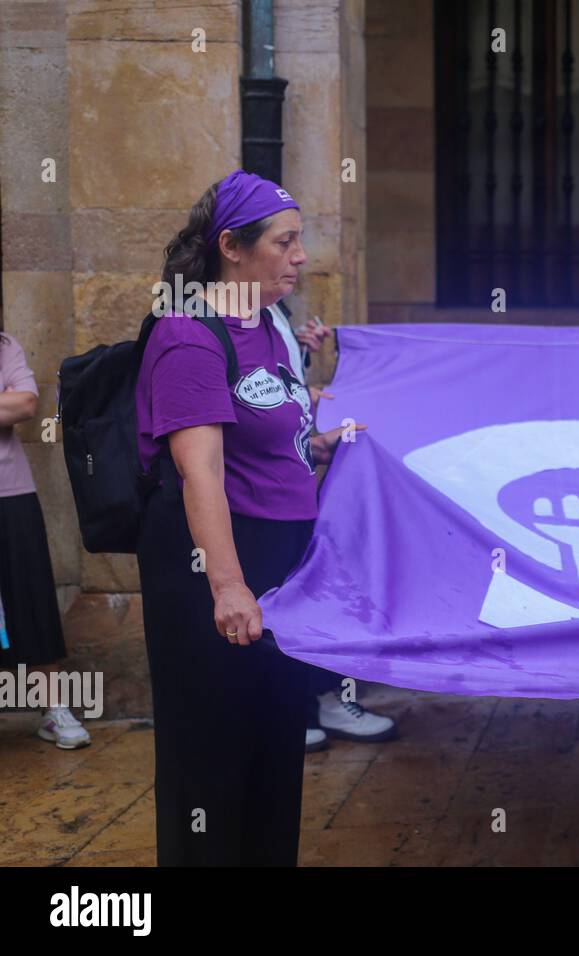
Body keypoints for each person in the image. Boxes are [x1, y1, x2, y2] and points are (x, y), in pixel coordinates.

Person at [135, 169, 362, 865]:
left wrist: (330, 444)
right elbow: (199, 469)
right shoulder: (188, 335)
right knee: (213, 758)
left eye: (301, 242)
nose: (300, 256)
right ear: (232, 246)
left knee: (273, 749)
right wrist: (228, 587)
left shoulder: (272, 325)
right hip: (217, 564)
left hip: (282, 566)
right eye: (286, 242)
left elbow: (278, 441)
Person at [266, 305, 397, 752]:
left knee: (322, 593)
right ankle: (291, 709)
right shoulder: (218, 320)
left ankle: (326, 700)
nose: (299, 258)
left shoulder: (275, 314)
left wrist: (304, 354)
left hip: (297, 486)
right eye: (284, 243)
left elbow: (281, 393)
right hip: (259, 496)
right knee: (280, 600)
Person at [0, 333, 90, 748]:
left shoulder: (5, 346)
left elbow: (25, 404)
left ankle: (53, 708)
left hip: (9, 493)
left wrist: (12, 403)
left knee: (29, 598)